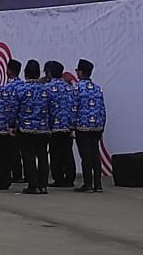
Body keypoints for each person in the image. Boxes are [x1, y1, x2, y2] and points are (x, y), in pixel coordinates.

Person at [16, 59, 50, 194]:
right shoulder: (46, 89)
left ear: (25, 74)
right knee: (42, 155)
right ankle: (43, 185)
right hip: (43, 128)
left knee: (28, 156)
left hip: (26, 128)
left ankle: (33, 185)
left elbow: (14, 108)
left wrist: (12, 124)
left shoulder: (20, 89)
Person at [73, 59, 106, 193]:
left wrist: (71, 126)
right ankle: (98, 184)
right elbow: (102, 109)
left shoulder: (76, 88)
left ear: (81, 72)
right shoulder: (98, 89)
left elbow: (73, 108)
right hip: (97, 126)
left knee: (85, 155)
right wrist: (102, 126)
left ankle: (88, 184)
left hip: (82, 126)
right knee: (95, 154)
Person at [43, 60, 76, 188]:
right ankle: (70, 178)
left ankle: (58, 178)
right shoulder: (69, 87)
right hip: (68, 126)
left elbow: (45, 108)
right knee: (68, 152)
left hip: (54, 126)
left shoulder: (47, 88)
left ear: (49, 73)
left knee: (55, 153)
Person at [4, 60, 25, 184]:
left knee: (13, 151)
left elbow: (9, 108)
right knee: (26, 152)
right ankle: (26, 174)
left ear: (9, 71)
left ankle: (16, 174)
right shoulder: (23, 85)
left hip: (13, 124)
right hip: (24, 123)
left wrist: (10, 124)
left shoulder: (8, 87)